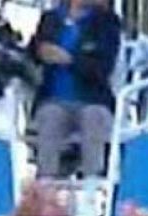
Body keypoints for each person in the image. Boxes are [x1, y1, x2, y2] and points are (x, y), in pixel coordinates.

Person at [29, 0, 120, 178]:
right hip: (53, 98)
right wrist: (39, 52)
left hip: (93, 99)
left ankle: (92, 186)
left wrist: (69, 59)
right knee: (50, 116)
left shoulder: (107, 22)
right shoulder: (51, 19)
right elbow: (31, 54)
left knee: (93, 117)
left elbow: (103, 67)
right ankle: (46, 184)